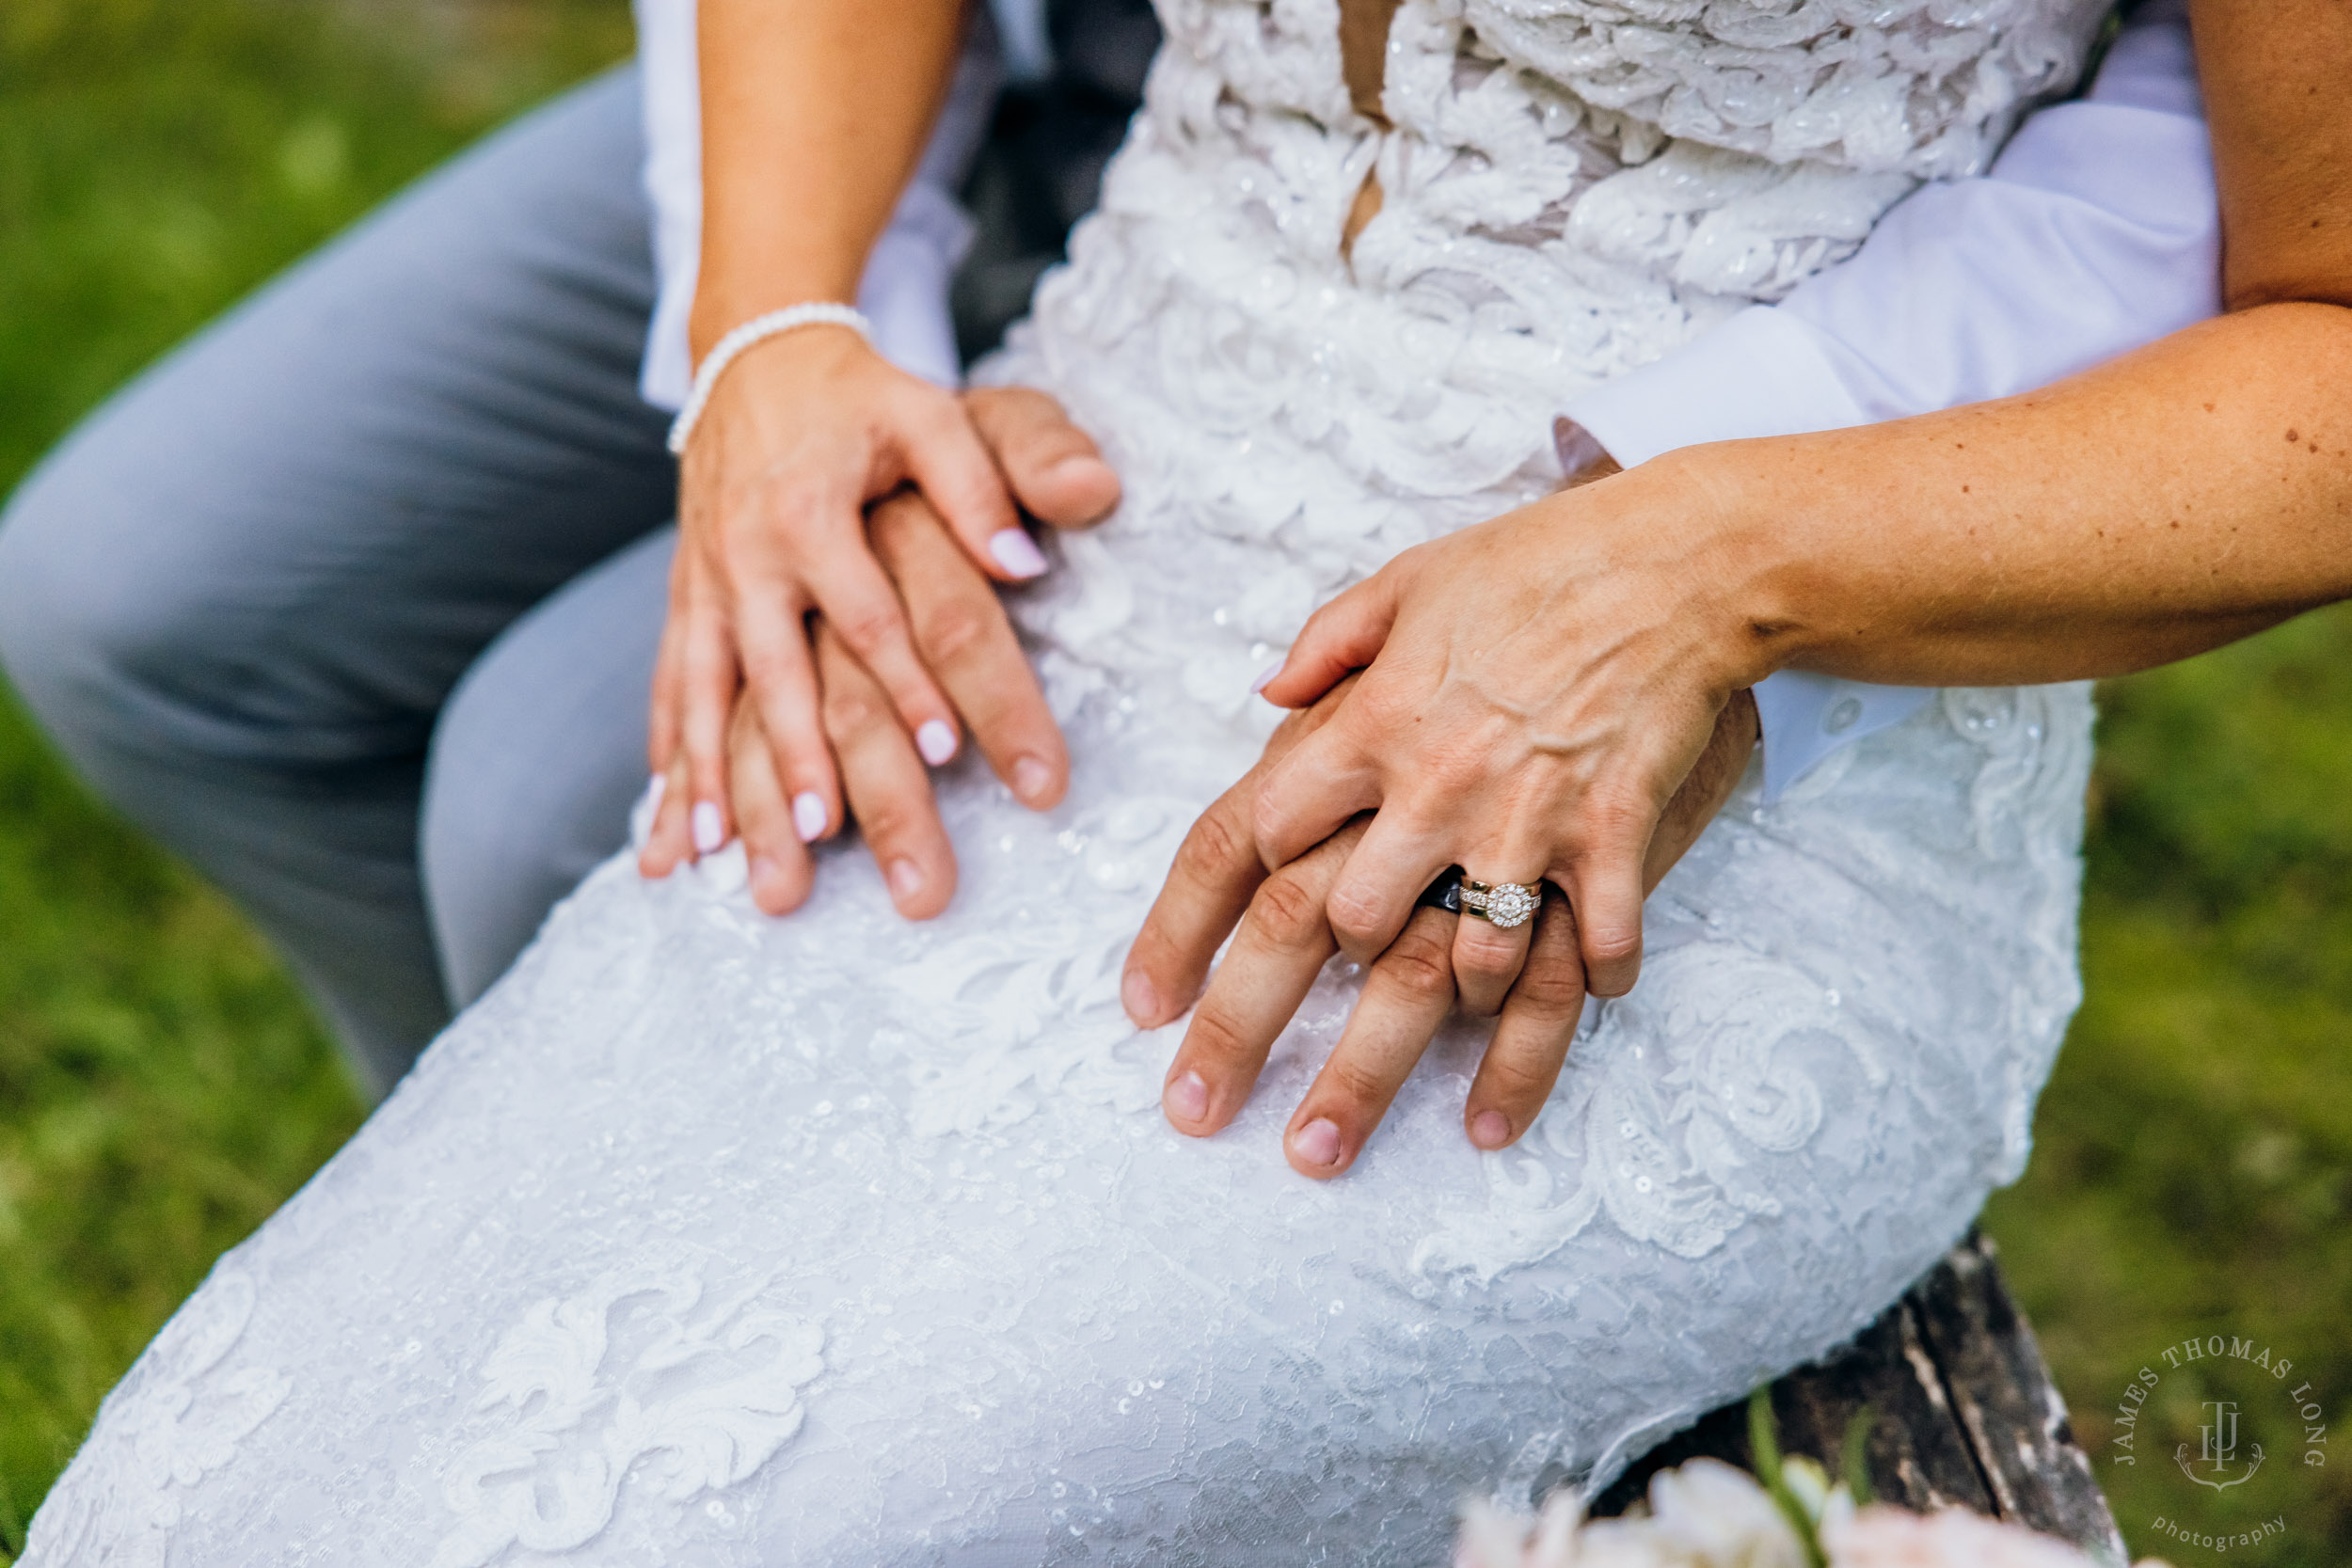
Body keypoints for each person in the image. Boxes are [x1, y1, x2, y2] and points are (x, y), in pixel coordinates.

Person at [12, 0, 2352, 1562]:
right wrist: (781, 327)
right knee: (191, 1508)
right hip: (1087, 506)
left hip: (1718, 734)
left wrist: (1704, 564)